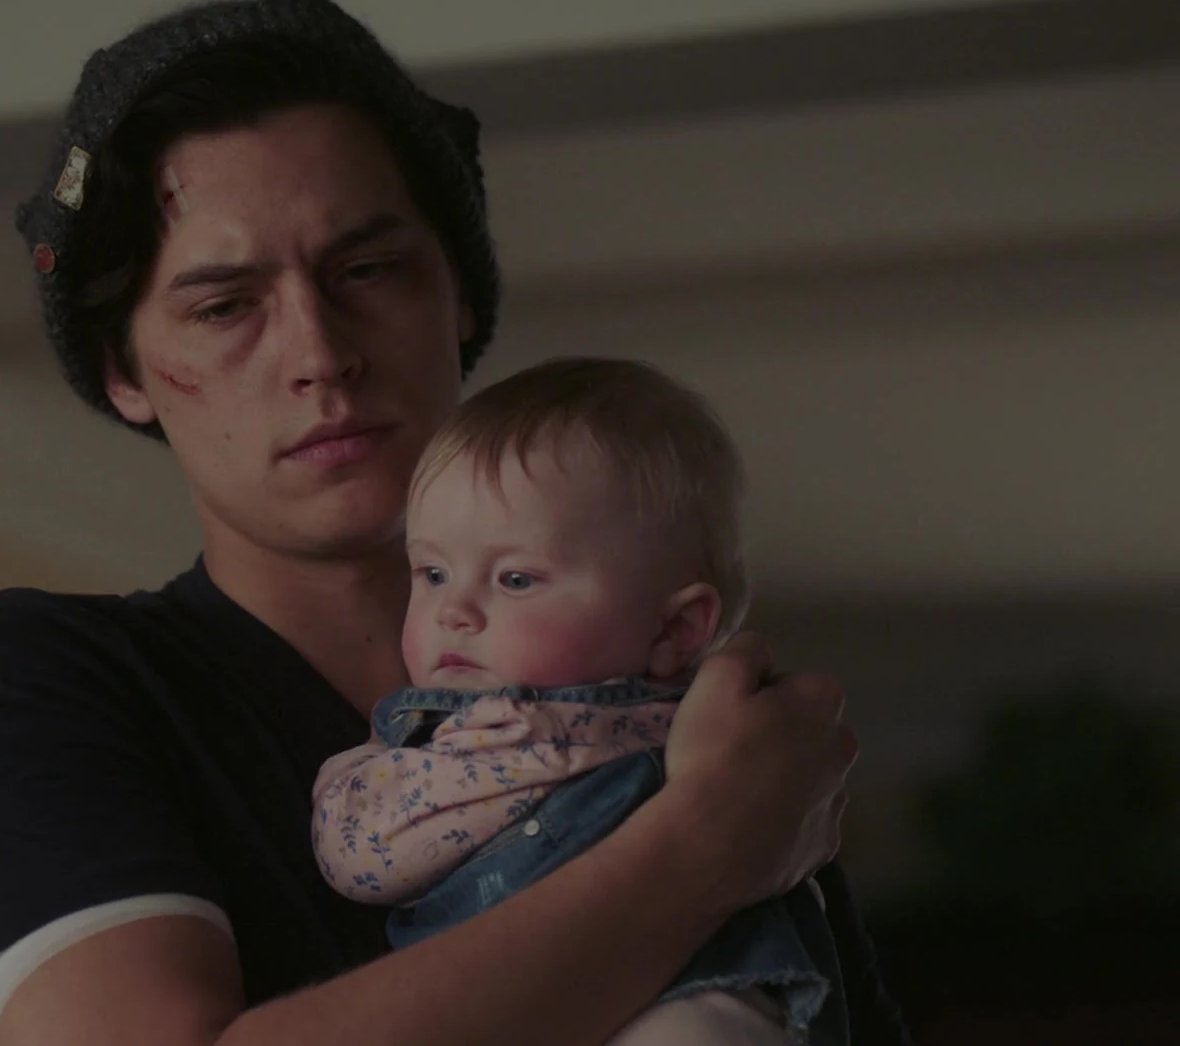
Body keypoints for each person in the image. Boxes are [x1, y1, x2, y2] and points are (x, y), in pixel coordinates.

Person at [0, 0, 890, 1046]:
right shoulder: (30, 691)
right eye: (224, 306)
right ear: (124, 372)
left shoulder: (682, 717)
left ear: (460, 297)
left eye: (367, 270)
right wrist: (697, 853)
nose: (321, 354)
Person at [313, 358, 892, 1044]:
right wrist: (517, 764)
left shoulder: (721, 726)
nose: (453, 610)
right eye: (433, 572)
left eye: (516, 579)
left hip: (696, 993)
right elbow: (359, 856)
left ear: (675, 630)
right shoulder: (420, 737)